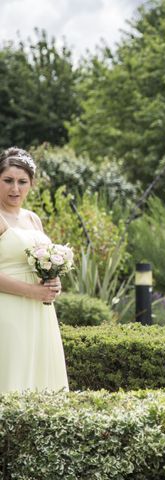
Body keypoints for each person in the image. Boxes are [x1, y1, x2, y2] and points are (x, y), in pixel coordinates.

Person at [0, 147, 68, 393]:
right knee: (12, 375)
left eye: (22, 182)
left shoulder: (33, 219)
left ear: (31, 184)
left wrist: (53, 282)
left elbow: (43, 260)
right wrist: (30, 291)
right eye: (7, 181)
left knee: (41, 379)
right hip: (8, 310)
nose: (14, 189)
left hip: (40, 312)